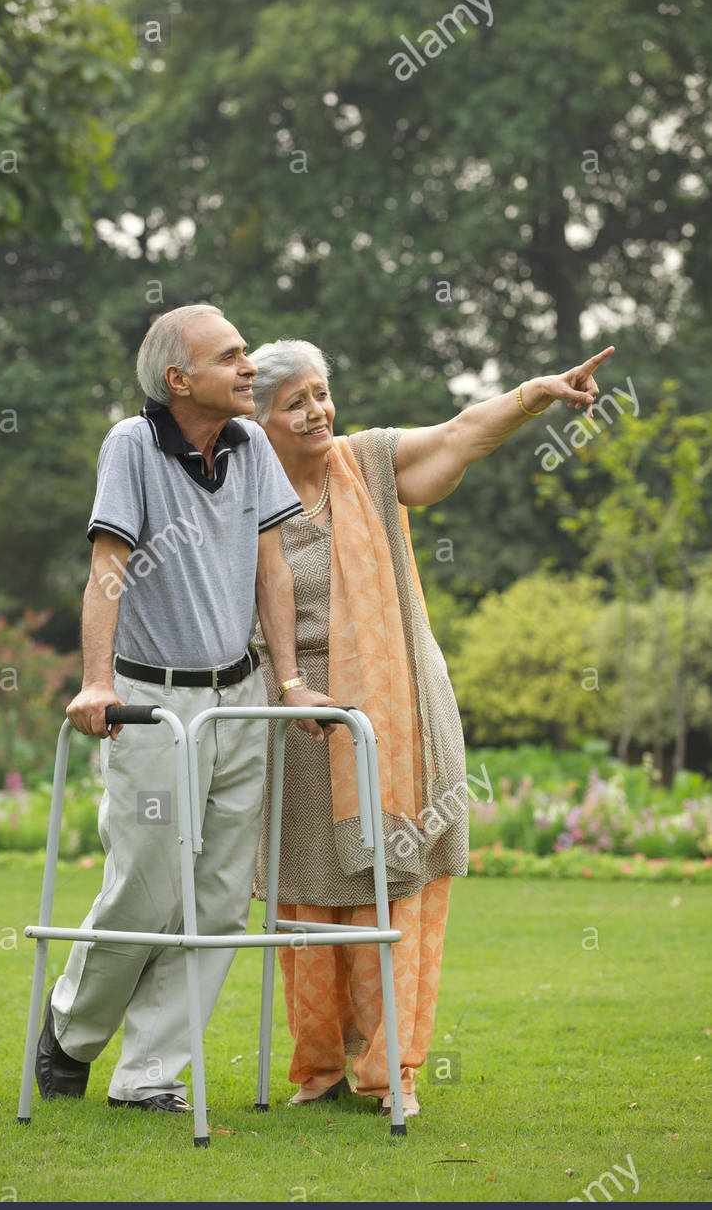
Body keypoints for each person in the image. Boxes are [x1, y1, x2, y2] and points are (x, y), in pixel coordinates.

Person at [249, 338, 613, 1117]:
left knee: (394, 883)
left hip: (398, 710)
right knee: (308, 893)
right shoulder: (238, 496)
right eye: (296, 403)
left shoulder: (369, 464)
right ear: (259, 422)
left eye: (322, 392)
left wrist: (533, 395)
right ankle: (320, 1071)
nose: (318, 411)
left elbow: (455, 435)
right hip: (298, 716)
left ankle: (393, 1073)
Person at [36, 304, 335, 1112]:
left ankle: (149, 1079)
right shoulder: (131, 446)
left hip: (236, 698)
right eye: (232, 356)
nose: (250, 367)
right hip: (150, 700)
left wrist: (292, 682)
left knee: (218, 900)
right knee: (146, 887)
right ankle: (71, 1031)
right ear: (179, 379)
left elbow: (272, 570)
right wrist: (97, 681)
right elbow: (109, 565)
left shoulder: (249, 447)